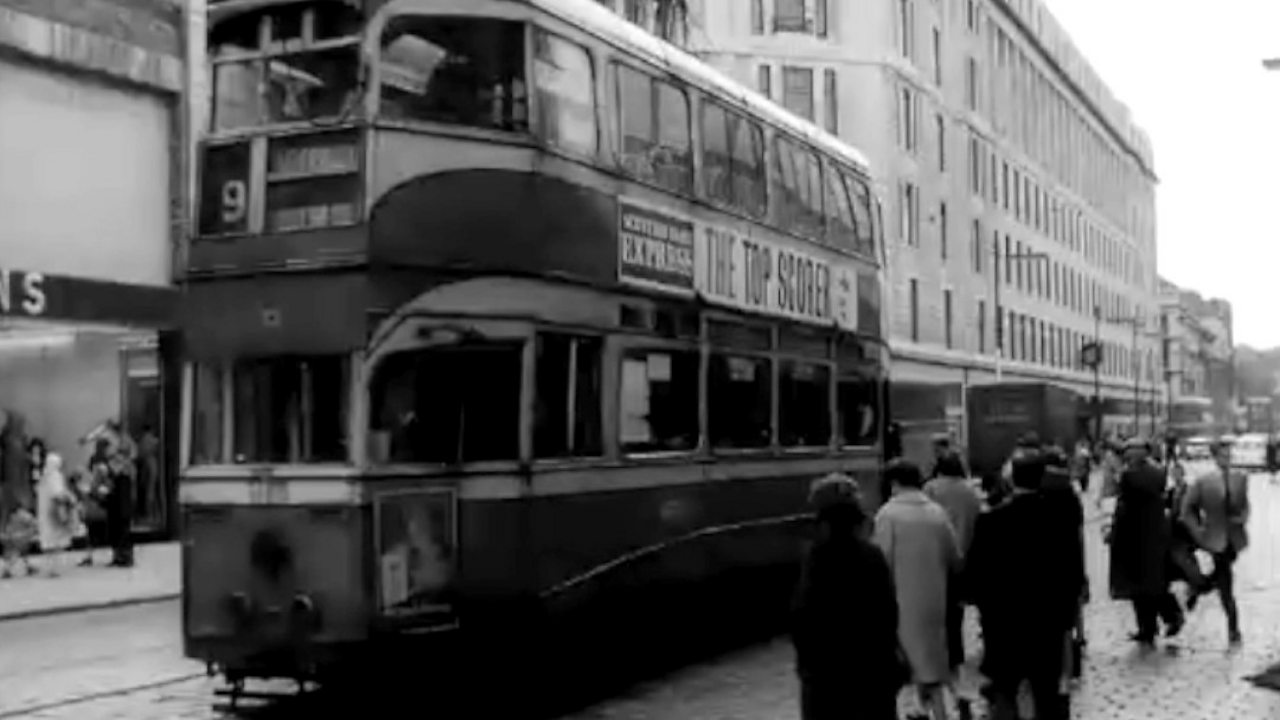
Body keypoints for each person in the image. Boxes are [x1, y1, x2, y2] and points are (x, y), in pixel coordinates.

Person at [965, 455, 1079, 720]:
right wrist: (1066, 617)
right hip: (1046, 622)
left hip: (1003, 623)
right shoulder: (1058, 522)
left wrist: (985, 610)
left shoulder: (991, 521)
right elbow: (1071, 573)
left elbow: (976, 574)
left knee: (1005, 689)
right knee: (1046, 693)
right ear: (1042, 479)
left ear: (1011, 479)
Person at [792, 473, 902, 720]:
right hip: (872, 680)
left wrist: (808, 671)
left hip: (825, 685)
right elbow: (888, 617)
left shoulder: (815, 561)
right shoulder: (872, 557)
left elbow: (802, 621)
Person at [875, 459, 961, 720]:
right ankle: (940, 713)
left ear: (893, 484)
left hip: (899, 604)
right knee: (932, 668)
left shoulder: (888, 515)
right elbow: (954, 557)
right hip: (935, 602)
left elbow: (881, 562)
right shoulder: (937, 512)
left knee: (905, 672)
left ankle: (916, 713)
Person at [1110, 438, 1181, 646]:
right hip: (1155, 534)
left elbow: (1123, 504)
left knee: (1140, 585)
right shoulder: (1158, 473)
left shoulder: (1129, 477)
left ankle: (1152, 625)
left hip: (1135, 536)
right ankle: (1159, 622)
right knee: (1153, 583)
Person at [1181, 439, 1249, 646]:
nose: (1227, 460)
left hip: (1233, 539)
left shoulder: (1240, 478)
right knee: (1226, 583)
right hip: (1214, 538)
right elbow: (1187, 510)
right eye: (1223, 456)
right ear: (1215, 457)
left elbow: (1244, 505)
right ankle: (1234, 629)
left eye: (1229, 456)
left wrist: (1243, 518)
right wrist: (1198, 532)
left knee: (1220, 577)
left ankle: (1198, 588)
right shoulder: (1204, 481)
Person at [924, 452, 982, 676]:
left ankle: (938, 654)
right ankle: (956, 653)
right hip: (964, 558)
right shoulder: (971, 491)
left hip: (936, 558)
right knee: (956, 613)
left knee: (937, 610)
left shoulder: (931, 489)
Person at [35, 453, 75, 577]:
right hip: (55, 512)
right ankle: (54, 568)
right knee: (56, 541)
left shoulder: (44, 476)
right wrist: (70, 498)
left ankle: (49, 568)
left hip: (45, 513)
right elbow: (57, 493)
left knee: (49, 542)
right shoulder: (55, 476)